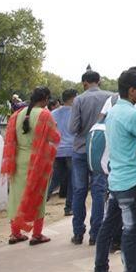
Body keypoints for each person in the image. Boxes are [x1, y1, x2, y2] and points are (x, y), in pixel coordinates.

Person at [92, 68, 136, 272]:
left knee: (108, 228)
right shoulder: (133, 114)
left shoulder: (113, 112)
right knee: (132, 234)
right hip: (133, 181)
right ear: (131, 91)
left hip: (117, 180)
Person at [1, 86, 60, 246]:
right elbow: (55, 136)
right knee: (38, 195)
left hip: (18, 160)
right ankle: (37, 234)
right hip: (38, 161)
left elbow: (10, 139)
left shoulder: (16, 115)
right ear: (46, 99)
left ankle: (15, 233)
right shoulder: (45, 114)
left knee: (16, 196)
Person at [69, 70, 114, 245]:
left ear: (84, 83)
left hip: (81, 149)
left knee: (79, 191)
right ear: (99, 81)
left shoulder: (79, 99)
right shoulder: (111, 97)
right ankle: (96, 233)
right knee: (99, 191)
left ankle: (78, 232)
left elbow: (73, 128)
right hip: (100, 149)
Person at [49, 88, 77, 216]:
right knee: (72, 181)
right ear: (73, 98)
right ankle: (69, 207)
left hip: (58, 149)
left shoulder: (53, 113)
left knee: (54, 179)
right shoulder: (76, 112)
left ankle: (41, 201)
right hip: (71, 149)